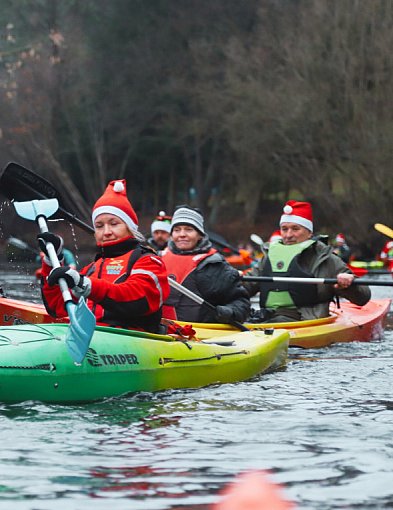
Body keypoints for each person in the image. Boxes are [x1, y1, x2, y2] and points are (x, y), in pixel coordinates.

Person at [38, 179, 170, 333]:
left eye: (114, 224)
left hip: (137, 340)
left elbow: (138, 300)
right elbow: (57, 308)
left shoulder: (149, 261)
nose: (106, 232)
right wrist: (51, 261)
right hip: (97, 338)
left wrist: (86, 284)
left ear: (130, 228)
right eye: (99, 226)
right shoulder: (91, 269)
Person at [244, 200, 371, 322]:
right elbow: (244, 288)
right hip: (267, 318)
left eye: (295, 229)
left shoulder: (325, 259)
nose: (288, 235)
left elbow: (363, 297)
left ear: (309, 233)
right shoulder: (269, 256)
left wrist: (348, 286)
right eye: (284, 229)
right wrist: (229, 279)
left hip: (306, 320)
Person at [161, 205, 250, 323]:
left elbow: (241, 303)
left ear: (200, 235)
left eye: (188, 229)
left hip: (200, 335)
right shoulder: (158, 258)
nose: (182, 234)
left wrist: (229, 312)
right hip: (160, 331)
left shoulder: (214, 265)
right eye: (177, 230)